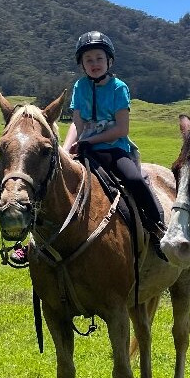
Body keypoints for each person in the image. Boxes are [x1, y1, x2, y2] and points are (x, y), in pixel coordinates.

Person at [63, 31, 165, 241]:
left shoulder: (119, 88)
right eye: (88, 59)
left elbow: (121, 129)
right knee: (52, 183)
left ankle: (158, 226)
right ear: (82, 64)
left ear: (109, 60)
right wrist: (64, 151)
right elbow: (77, 123)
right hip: (85, 149)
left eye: (99, 58)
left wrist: (88, 141)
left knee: (134, 179)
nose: (94, 63)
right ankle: (34, 243)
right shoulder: (79, 86)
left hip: (113, 149)